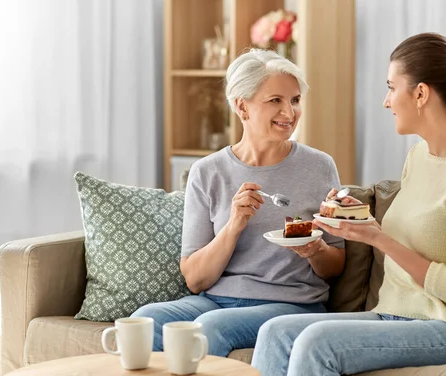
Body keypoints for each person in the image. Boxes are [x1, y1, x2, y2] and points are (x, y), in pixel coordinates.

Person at [244, 33, 446, 376]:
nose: (386, 101)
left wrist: (378, 238)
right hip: (394, 315)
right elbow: (412, 233)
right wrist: (354, 217)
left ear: (420, 94)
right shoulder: (420, 158)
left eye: (391, 87)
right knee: (275, 332)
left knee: (317, 343)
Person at [131, 49, 346, 355]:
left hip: (291, 305)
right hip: (214, 299)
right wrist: (233, 226)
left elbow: (335, 267)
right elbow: (195, 279)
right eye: (276, 101)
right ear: (242, 107)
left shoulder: (320, 166)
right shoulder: (207, 172)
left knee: (212, 327)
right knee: (144, 321)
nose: (290, 112)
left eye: (295, 100)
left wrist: (315, 249)